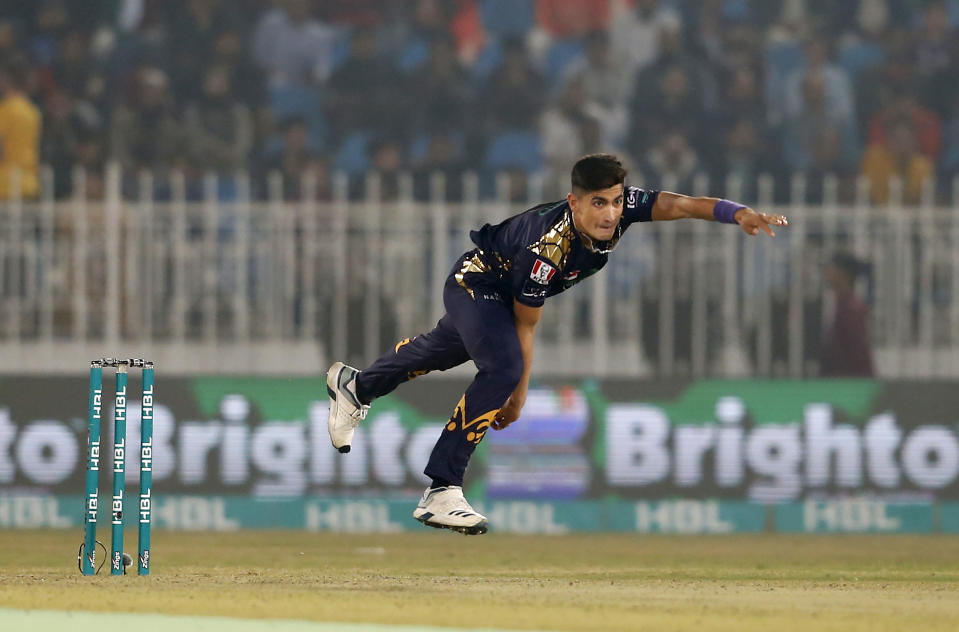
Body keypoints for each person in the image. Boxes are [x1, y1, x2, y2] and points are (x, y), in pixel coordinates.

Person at [326, 154, 787, 535]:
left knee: (438, 352)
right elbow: (525, 327)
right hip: (479, 285)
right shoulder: (547, 250)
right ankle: (442, 487)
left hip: (496, 299)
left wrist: (740, 213)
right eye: (598, 203)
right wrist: (518, 395)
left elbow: (686, 205)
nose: (610, 213)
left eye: (616, 201)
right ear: (575, 202)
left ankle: (356, 386)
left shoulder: (622, 209)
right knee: (503, 367)